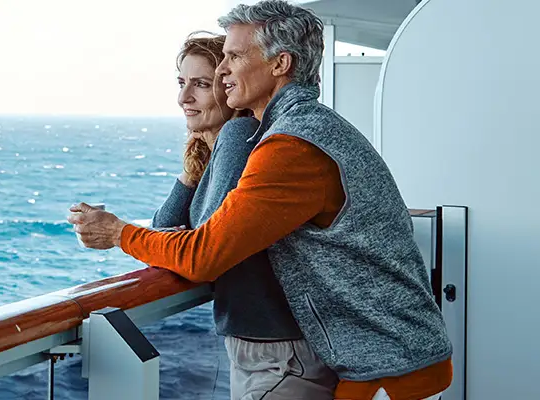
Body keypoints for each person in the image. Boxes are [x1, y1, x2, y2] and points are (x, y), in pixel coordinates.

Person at [68, 1, 453, 399]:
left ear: (279, 63)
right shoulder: (306, 128)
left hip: (390, 368)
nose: (222, 70)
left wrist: (118, 232)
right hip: (385, 358)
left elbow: (205, 255)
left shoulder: (293, 147)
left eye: (234, 56)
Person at [157, 31, 336, 400]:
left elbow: (202, 244)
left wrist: (115, 232)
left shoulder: (242, 133)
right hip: (272, 348)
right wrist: (195, 164)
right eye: (181, 83)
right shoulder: (225, 144)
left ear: (228, 87)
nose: (183, 98)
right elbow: (165, 225)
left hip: (279, 353)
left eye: (201, 85)